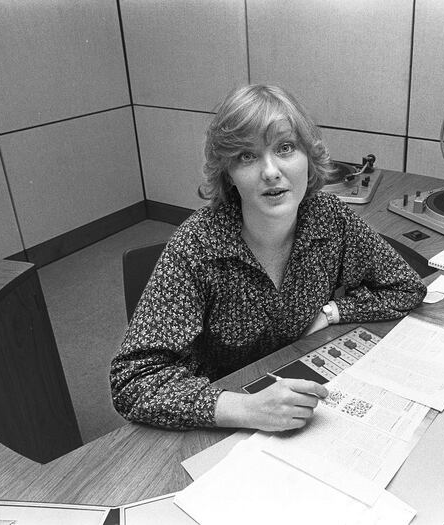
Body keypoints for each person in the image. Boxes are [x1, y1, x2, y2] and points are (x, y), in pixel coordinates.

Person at [110, 84, 426, 432]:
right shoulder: (197, 245)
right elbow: (133, 380)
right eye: (247, 156)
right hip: (217, 418)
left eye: (286, 148)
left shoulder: (329, 217)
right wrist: (245, 409)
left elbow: (405, 288)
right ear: (228, 173)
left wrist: (332, 312)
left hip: (295, 386)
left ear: (309, 156)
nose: (271, 171)